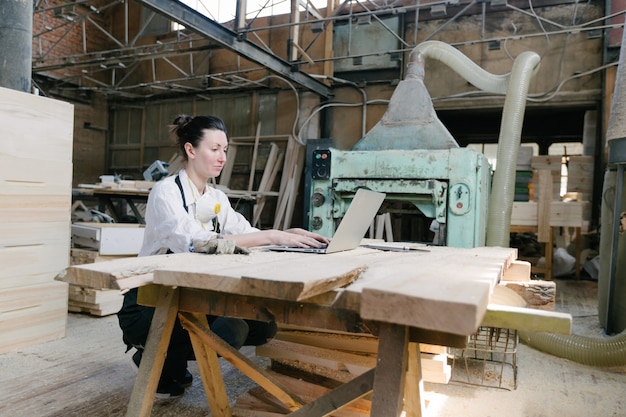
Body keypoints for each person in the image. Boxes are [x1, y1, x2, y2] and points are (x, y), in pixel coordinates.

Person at [117, 114, 329, 399]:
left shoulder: (217, 198)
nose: (222, 157)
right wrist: (271, 235)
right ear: (191, 150)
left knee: (263, 326)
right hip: (148, 304)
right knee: (231, 331)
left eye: (225, 150)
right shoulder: (166, 192)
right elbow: (193, 241)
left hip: (192, 294)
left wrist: (286, 234)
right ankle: (155, 355)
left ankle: (168, 359)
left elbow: (247, 235)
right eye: (214, 149)